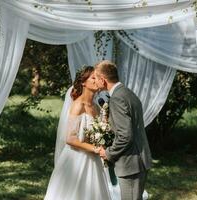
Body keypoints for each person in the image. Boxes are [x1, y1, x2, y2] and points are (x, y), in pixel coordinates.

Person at [44, 66, 113, 200]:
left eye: (98, 78)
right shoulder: (78, 105)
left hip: (94, 160)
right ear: (83, 82)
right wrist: (95, 149)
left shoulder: (96, 107)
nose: (97, 81)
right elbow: (70, 139)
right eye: (93, 78)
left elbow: (101, 131)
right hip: (76, 160)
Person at [94, 60, 152, 200]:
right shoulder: (127, 93)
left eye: (96, 78)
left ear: (103, 79)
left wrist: (108, 153)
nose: (95, 81)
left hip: (130, 163)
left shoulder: (117, 99)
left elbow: (125, 136)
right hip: (139, 160)